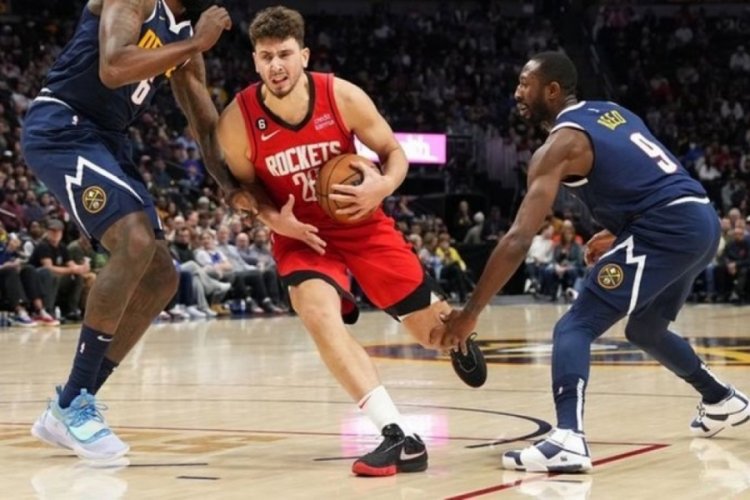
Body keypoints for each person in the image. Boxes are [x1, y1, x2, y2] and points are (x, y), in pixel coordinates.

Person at [432, 51, 750, 473]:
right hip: (700, 219)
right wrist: (621, 230)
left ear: (552, 90)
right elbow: (650, 175)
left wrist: (470, 312)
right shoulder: (611, 111)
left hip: (667, 228)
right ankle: (721, 398)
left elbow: (519, 237)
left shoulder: (559, 146)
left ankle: (568, 438)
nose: (517, 93)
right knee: (646, 329)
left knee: (574, 325)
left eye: (525, 84)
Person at [216, 6, 485, 477]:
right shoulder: (238, 119)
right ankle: (396, 434)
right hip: (302, 236)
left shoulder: (341, 96)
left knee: (434, 336)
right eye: (266, 57)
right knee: (317, 314)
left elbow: (393, 152)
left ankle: (456, 334)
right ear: (255, 61)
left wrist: (383, 186)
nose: (276, 65)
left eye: (284, 54)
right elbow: (243, 191)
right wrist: (273, 219)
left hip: (363, 223)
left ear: (303, 55)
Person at [21, 0, 251, 461]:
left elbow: (205, 126)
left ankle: (72, 403)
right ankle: (75, 405)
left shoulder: (185, 32)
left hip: (109, 141)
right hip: (62, 124)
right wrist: (197, 42)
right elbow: (113, 66)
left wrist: (232, 187)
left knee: (162, 276)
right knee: (135, 239)